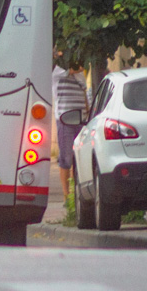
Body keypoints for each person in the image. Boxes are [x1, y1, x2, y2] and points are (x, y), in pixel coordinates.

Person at [53, 53, 89, 195]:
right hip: (65, 121)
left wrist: (87, 112)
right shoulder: (57, 72)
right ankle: (66, 196)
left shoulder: (80, 76)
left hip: (81, 120)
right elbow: (72, 70)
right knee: (66, 158)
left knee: (78, 158)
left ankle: (76, 195)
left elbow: (84, 95)